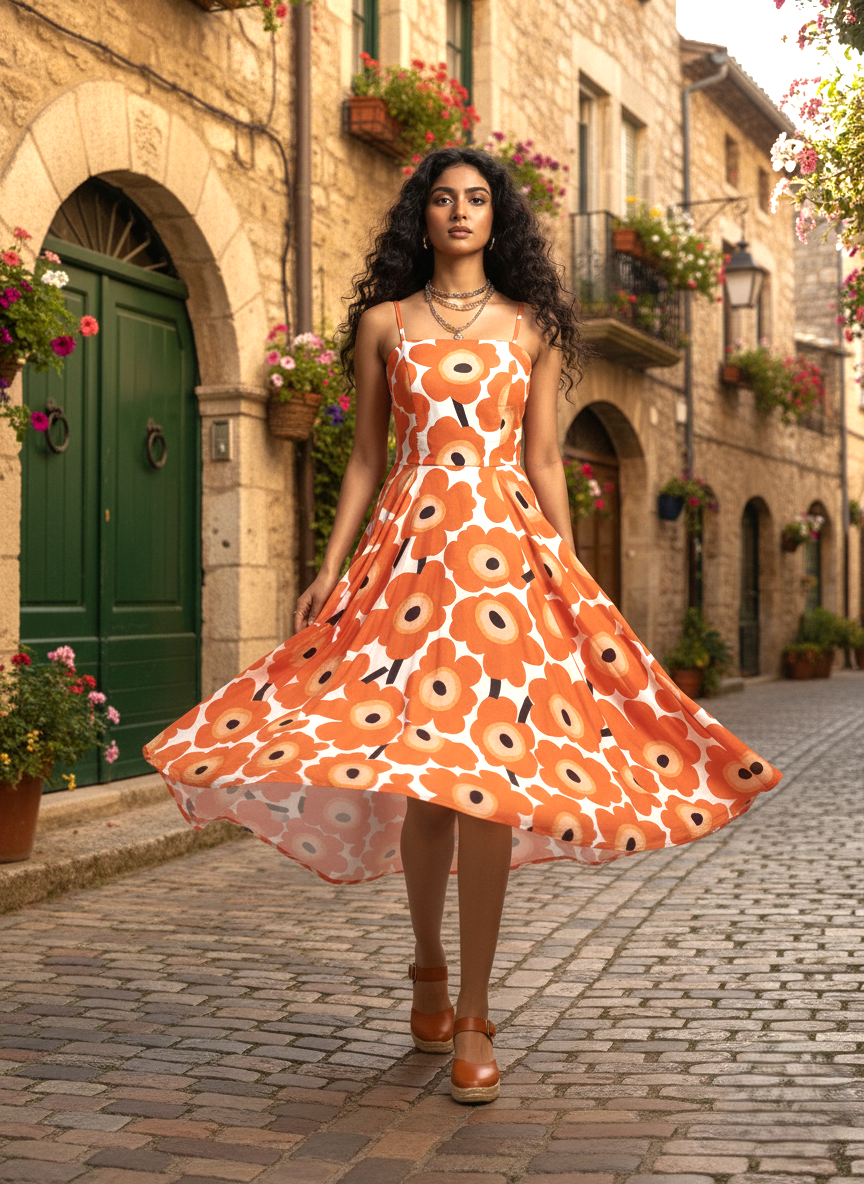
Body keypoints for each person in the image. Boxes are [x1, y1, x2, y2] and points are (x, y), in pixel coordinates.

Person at [143, 147, 782, 1106]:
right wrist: (326, 565)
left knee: (488, 781)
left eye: (477, 199)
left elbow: (546, 460)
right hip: (405, 562)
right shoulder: (382, 324)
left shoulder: (532, 329)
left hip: (505, 563)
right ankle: (427, 967)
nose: (459, 212)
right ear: (421, 216)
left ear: (497, 218)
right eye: (442, 199)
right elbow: (364, 457)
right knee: (428, 787)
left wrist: (568, 568)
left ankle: (476, 1012)